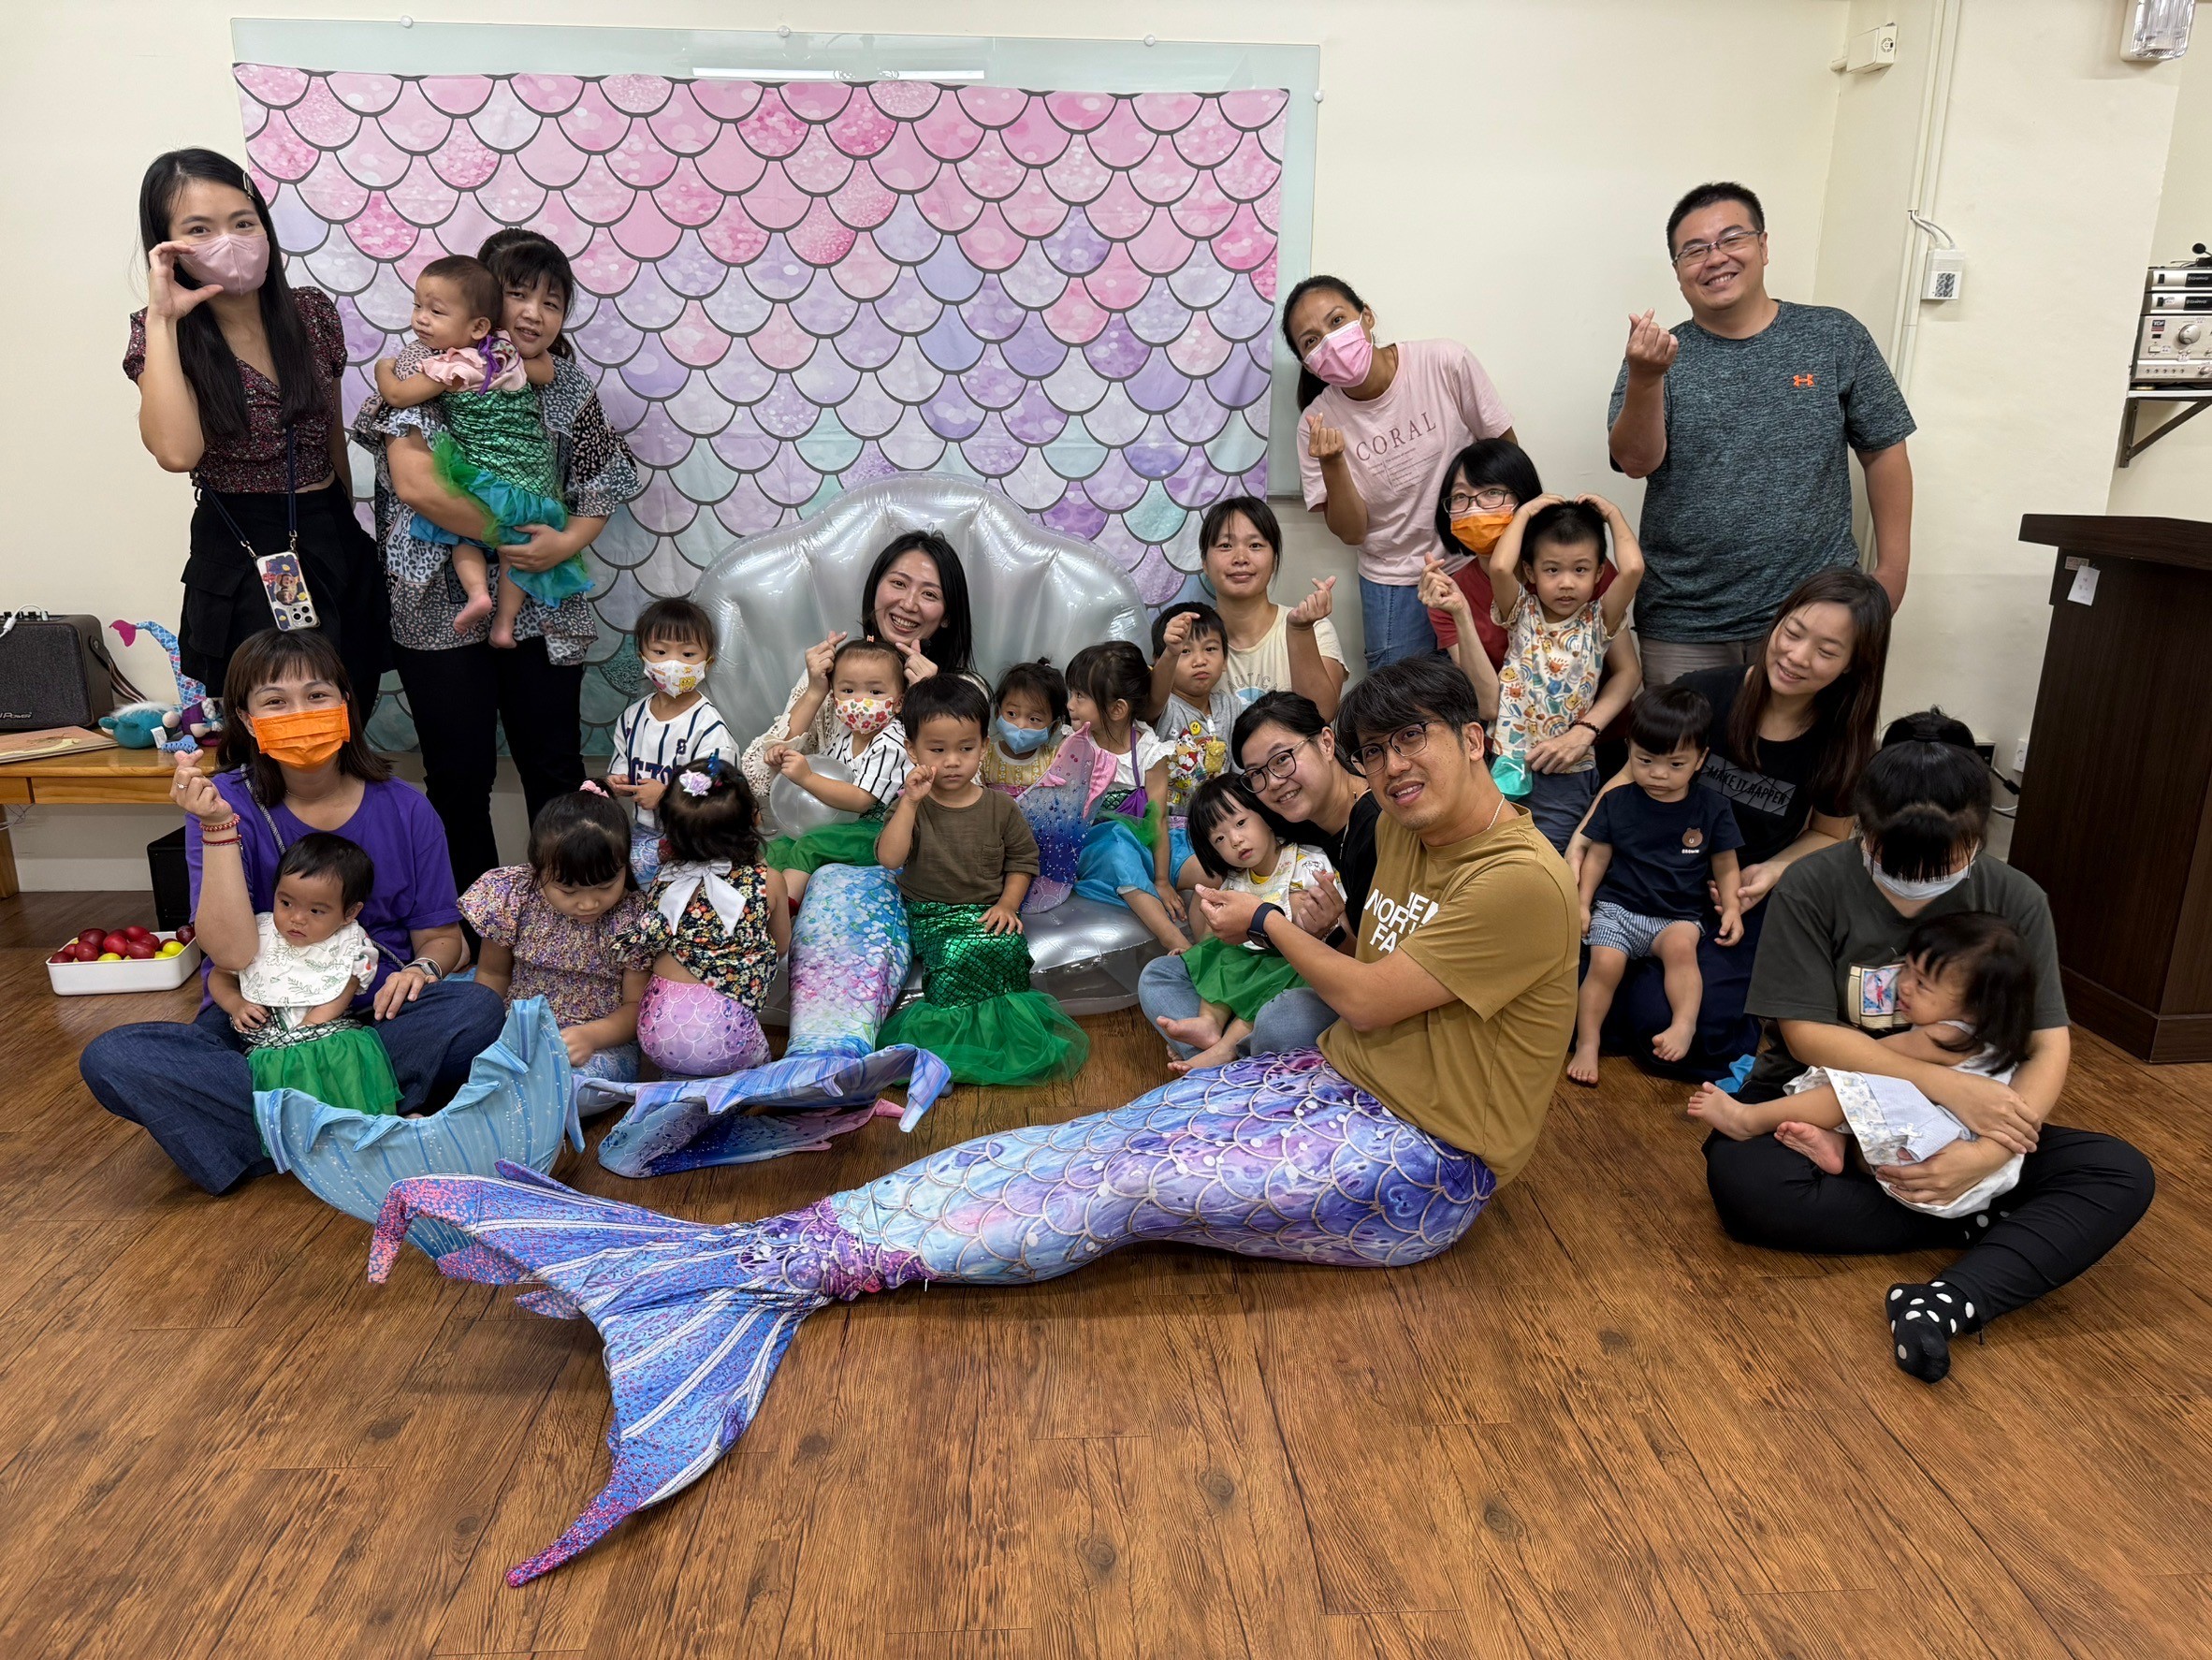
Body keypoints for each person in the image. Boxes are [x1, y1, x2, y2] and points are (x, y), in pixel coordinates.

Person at [370, 655, 1580, 1584]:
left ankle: (760, 1273)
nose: (1395, 766)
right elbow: (1363, 955)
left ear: (1475, 738)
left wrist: (1265, 922)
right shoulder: (1405, 831)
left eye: (1415, 740)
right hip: (1334, 1080)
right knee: (1096, 1137)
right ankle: (767, 1252)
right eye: (1377, 748)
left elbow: (1366, 992)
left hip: (1421, 1159)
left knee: (1127, 1189)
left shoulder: (1519, 879)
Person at [1701, 711, 2154, 1384]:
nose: (1914, 882)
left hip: (1955, 1124)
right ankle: (1979, 1218)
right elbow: (1805, 1034)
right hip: (1830, 1099)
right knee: (1744, 1181)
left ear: (1976, 838)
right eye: (1893, 860)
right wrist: (1946, 1086)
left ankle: (1949, 1292)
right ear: (1864, 827)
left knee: (2120, 1173)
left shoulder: (2015, 897)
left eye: (1936, 865)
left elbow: (2047, 1044)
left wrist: (1989, 1152)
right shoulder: (1815, 883)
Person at [79, 629, 501, 1195]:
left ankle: (277, 1129)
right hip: (259, 1024)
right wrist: (218, 828)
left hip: (373, 1018)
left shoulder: (407, 808)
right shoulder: (222, 804)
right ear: (247, 720)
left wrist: (422, 970)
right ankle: (358, 1122)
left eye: (317, 695)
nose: (300, 713)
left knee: (476, 1010)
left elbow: (444, 939)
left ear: (346, 702)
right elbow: (230, 955)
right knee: (113, 1057)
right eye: (275, 701)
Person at [356, 230, 644, 895]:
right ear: (484, 304)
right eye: (519, 294)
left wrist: (564, 544)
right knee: (459, 775)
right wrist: (510, 533)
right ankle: (474, 922)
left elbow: (602, 482)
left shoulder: (564, 382)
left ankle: (569, 918)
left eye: (554, 302)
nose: (535, 314)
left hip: (540, 595)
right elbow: (417, 485)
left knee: (555, 767)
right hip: (436, 602)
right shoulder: (429, 366)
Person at [1568, 567, 1891, 1079]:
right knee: (1559, 1000)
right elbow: (1630, 776)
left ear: (1854, 665)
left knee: (1683, 1034)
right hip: (1638, 878)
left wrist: (1772, 871)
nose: (1797, 656)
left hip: (1730, 897)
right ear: (1777, 622)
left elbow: (1829, 834)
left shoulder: (1843, 741)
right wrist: (1582, 840)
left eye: (1827, 651)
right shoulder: (1704, 694)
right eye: (1792, 632)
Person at [1608, 182, 1915, 686]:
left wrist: (1893, 574)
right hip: (1686, 619)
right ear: (1678, 271)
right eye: (1694, 250)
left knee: (1810, 741)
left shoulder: (1833, 336)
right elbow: (1637, 462)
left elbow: (1884, 451)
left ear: (1764, 246)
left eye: (1732, 239)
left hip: (1816, 614)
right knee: (1685, 740)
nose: (1715, 258)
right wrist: (1646, 377)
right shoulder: (1657, 356)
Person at [127, 148, 387, 721]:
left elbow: (330, 433)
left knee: (350, 710)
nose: (228, 240)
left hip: (328, 528)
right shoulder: (161, 335)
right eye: (200, 229)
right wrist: (164, 319)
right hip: (242, 542)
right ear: (167, 246)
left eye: (242, 222)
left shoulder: (311, 313)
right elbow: (177, 452)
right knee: (277, 729)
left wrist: (344, 517)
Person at [1689, 910, 2033, 1220]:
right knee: (1883, 1100)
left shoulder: (1944, 1035)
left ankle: (1747, 1120)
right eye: (1907, 969)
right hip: (1964, 1177)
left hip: (1938, 1160)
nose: (1905, 986)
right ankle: (1838, 1146)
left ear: (1973, 1007)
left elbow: (1869, 1059)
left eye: (1922, 984)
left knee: (1850, 1089)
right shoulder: (1991, 1042)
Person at [1285, 277, 1515, 669]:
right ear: (1307, 363)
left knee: (1495, 685)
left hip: (1475, 559)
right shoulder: (1316, 423)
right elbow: (1352, 532)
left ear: (1367, 316)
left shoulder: (1444, 362)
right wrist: (1333, 462)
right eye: (1311, 341)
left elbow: (1507, 457)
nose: (1330, 343)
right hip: (1393, 583)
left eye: (1337, 321)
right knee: (1401, 703)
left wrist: (1505, 552)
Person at [1136, 691, 1378, 1061]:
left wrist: (1326, 929)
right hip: (1265, 965)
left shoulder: (1375, 826)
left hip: (1337, 981)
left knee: (1282, 1019)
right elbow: (1222, 886)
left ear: (1326, 743)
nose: (1274, 782)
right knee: (1160, 974)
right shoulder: (1286, 817)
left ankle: (1219, 1055)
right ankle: (1223, 1051)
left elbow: (1374, 972)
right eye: (1256, 774)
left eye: (1282, 759)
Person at [874, 676, 1088, 1085]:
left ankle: (999, 1043)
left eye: (966, 748)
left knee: (1007, 947)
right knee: (955, 954)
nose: (953, 761)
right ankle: (942, 1053)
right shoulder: (911, 806)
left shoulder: (1000, 807)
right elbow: (890, 858)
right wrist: (910, 803)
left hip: (987, 909)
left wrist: (1008, 904)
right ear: (912, 750)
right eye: (937, 750)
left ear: (984, 747)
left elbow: (1023, 861)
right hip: (932, 913)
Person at [372, 256, 584, 648]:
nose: (421, 319)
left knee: (459, 536)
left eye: (435, 311)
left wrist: (383, 368)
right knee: (514, 555)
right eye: (417, 306)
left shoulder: (452, 365)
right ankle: (504, 623)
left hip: (483, 480)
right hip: (534, 487)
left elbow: (398, 395)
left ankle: (477, 594)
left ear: (478, 323)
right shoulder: (505, 355)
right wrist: (521, 355)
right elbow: (546, 372)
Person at [1569, 686, 1745, 1084]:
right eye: (1645, 760)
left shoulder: (1713, 808)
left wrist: (1732, 907)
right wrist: (1582, 903)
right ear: (1629, 749)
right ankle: (1588, 1042)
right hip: (1617, 909)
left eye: (1676, 764)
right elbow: (1597, 858)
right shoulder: (1617, 801)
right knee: (1603, 966)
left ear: (1701, 759)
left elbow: (1725, 863)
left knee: (1683, 953)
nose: (1659, 774)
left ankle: (1684, 1024)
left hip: (1676, 915)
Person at [742, 530, 979, 802]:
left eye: (929, 594)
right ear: (876, 588)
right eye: (898, 583)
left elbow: (965, 798)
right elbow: (758, 779)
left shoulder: (965, 690)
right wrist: (815, 692)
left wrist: (930, 699)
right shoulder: (833, 672)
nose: (908, 603)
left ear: (947, 616)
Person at [461, 788, 656, 1087]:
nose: (588, 904)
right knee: (470, 1058)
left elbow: (635, 1007)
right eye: (568, 891)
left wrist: (591, 1036)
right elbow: (492, 974)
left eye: (606, 886)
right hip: (516, 1028)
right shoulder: (514, 897)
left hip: (599, 1043)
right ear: (538, 871)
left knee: (566, 1085)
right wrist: (485, 1030)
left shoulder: (632, 919)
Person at [1479, 495, 1644, 848]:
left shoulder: (1600, 620)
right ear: (1531, 572)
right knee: (1501, 853)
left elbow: (1632, 569)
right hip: (1509, 762)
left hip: (1567, 770)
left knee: (1553, 856)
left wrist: (1612, 512)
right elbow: (1500, 568)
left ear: (1599, 573)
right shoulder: (1521, 612)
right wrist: (1525, 512)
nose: (1566, 583)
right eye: (1552, 570)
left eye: (1580, 570)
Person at [613, 766, 791, 1078]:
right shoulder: (768, 880)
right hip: (724, 1036)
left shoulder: (664, 879)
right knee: (754, 1059)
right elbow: (781, 945)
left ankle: (677, 1079)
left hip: (655, 1033)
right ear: (754, 819)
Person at [1155, 773, 1339, 1074]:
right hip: (1250, 960)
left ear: (1266, 815)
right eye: (1219, 839)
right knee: (1212, 956)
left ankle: (1225, 1050)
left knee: (1280, 981)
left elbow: (1334, 919)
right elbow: (1220, 937)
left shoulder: (1308, 862)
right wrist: (1199, 955)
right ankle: (1209, 1024)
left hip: (1291, 962)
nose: (1235, 840)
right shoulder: (1235, 880)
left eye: (1241, 823)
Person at [210, 831, 400, 1115]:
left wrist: (307, 1031)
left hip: (326, 1039)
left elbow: (342, 991)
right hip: (266, 1051)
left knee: (342, 1076)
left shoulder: (350, 945)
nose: (297, 918)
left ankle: (360, 1125)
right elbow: (220, 975)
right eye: (286, 903)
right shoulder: (257, 934)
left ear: (349, 913)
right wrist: (236, 1004)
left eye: (316, 911)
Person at [761, 639, 911, 907]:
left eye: (875, 692)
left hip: (878, 832)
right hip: (844, 826)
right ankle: (752, 907)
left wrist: (806, 777)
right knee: (779, 847)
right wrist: (785, 759)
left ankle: (782, 914)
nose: (860, 701)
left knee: (810, 846)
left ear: (898, 703)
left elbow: (861, 800)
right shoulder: (844, 735)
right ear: (834, 698)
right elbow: (825, 771)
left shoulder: (892, 742)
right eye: (848, 690)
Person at [1063, 641, 1186, 953]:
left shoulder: (1148, 751)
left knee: (1195, 858)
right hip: (1100, 848)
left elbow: (1157, 818)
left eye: (1080, 696)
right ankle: (1174, 940)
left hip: (1148, 840)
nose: (1070, 705)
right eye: (1071, 694)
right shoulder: (1076, 745)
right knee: (1119, 850)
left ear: (1117, 709)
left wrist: (1162, 879)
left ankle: (1219, 938)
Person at [606, 598, 737, 884]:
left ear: (707, 663)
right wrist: (617, 782)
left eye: (688, 654)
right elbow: (622, 767)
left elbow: (720, 792)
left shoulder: (709, 727)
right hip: (643, 835)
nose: (673, 663)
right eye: (660, 651)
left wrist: (667, 795)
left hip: (696, 840)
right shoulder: (631, 719)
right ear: (642, 656)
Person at [1198, 497, 1347, 714]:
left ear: (1274, 560)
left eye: (1255, 545)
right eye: (1225, 546)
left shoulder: (1316, 630)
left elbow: (1321, 714)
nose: (1240, 558)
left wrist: (1300, 631)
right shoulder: (1190, 638)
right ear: (1205, 562)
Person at [1143, 600, 1245, 887]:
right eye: (1186, 652)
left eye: (1210, 649)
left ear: (1225, 658)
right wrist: (1171, 652)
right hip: (1174, 831)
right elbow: (1154, 697)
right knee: (1212, 878)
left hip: (1223, 825)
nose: (1200, 660)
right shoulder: (1163, 709)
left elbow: (1241, 772)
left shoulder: (1232, 706)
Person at [981, 659, 1066, 795]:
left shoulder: (1053, 760)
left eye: (1034, 719)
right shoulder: (983, 756)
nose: (1020, 725)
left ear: (1054, 726)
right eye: (1012, 713)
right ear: (997, 712)